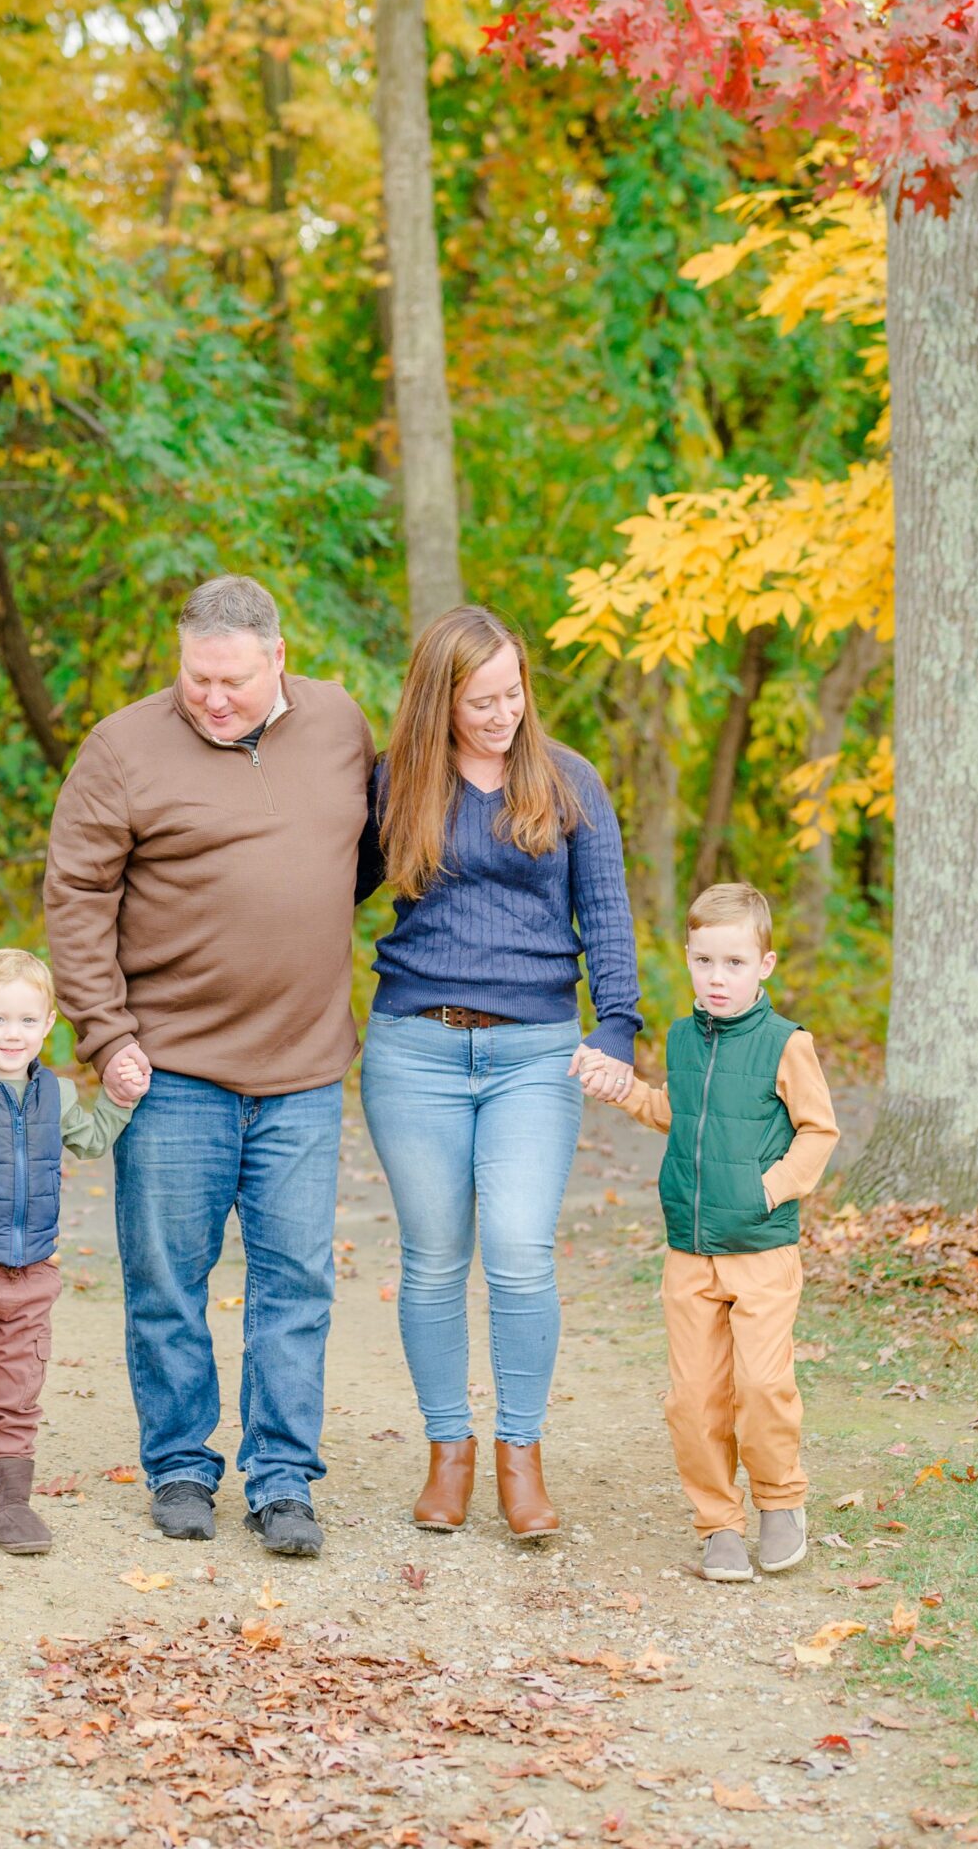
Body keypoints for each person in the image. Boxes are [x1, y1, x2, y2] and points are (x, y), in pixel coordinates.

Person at [43, 573, 376, 1558]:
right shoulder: (122, 747)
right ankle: (181, 1466)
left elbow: (352, 857)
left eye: (231, 679)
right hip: (171, 1066)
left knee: (294, 1283)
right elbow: (74, 894)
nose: (213, 697)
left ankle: (281, 1479)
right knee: (165, 1279)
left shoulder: (337, 725)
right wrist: (106, 1034)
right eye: (196, 679)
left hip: (304, 1069)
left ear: (279, 656)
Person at [359, 604, 641, 1540]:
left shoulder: (568, 783)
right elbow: (317, 886)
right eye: (478, 700)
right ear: (437, 699)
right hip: (414, 1050)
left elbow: (604, 915)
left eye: (512, 694)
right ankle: (450, 1455)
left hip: (533, 1054)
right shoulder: (395, 784)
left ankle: (520, 1456)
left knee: (518, 1254)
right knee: (433, 1262)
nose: (499, 714)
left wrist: (618, 1030)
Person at [584, 879, 838, 1582]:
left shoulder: (787, 1044)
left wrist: (767, 1188)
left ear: (764, 964)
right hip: (688, 1253)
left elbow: (818, 1131)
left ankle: (780, 1501)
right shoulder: (680, 1038)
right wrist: (626, 1090)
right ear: (688, 959)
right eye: (703, 962)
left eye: (733, 962)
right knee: (692, 1398)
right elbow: (678, 1114)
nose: (716, 978)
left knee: (761, 1387)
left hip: (761, 1250)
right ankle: (717, 1522)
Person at [0, 946, 146, 1555]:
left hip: (31, 1276)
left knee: (17, 1394)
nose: (10, 1034)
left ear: (47, 1024)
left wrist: (118, 1101)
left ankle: (11, 1505)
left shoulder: (58, 1096)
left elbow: (91, 1144)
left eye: (25, 1021)